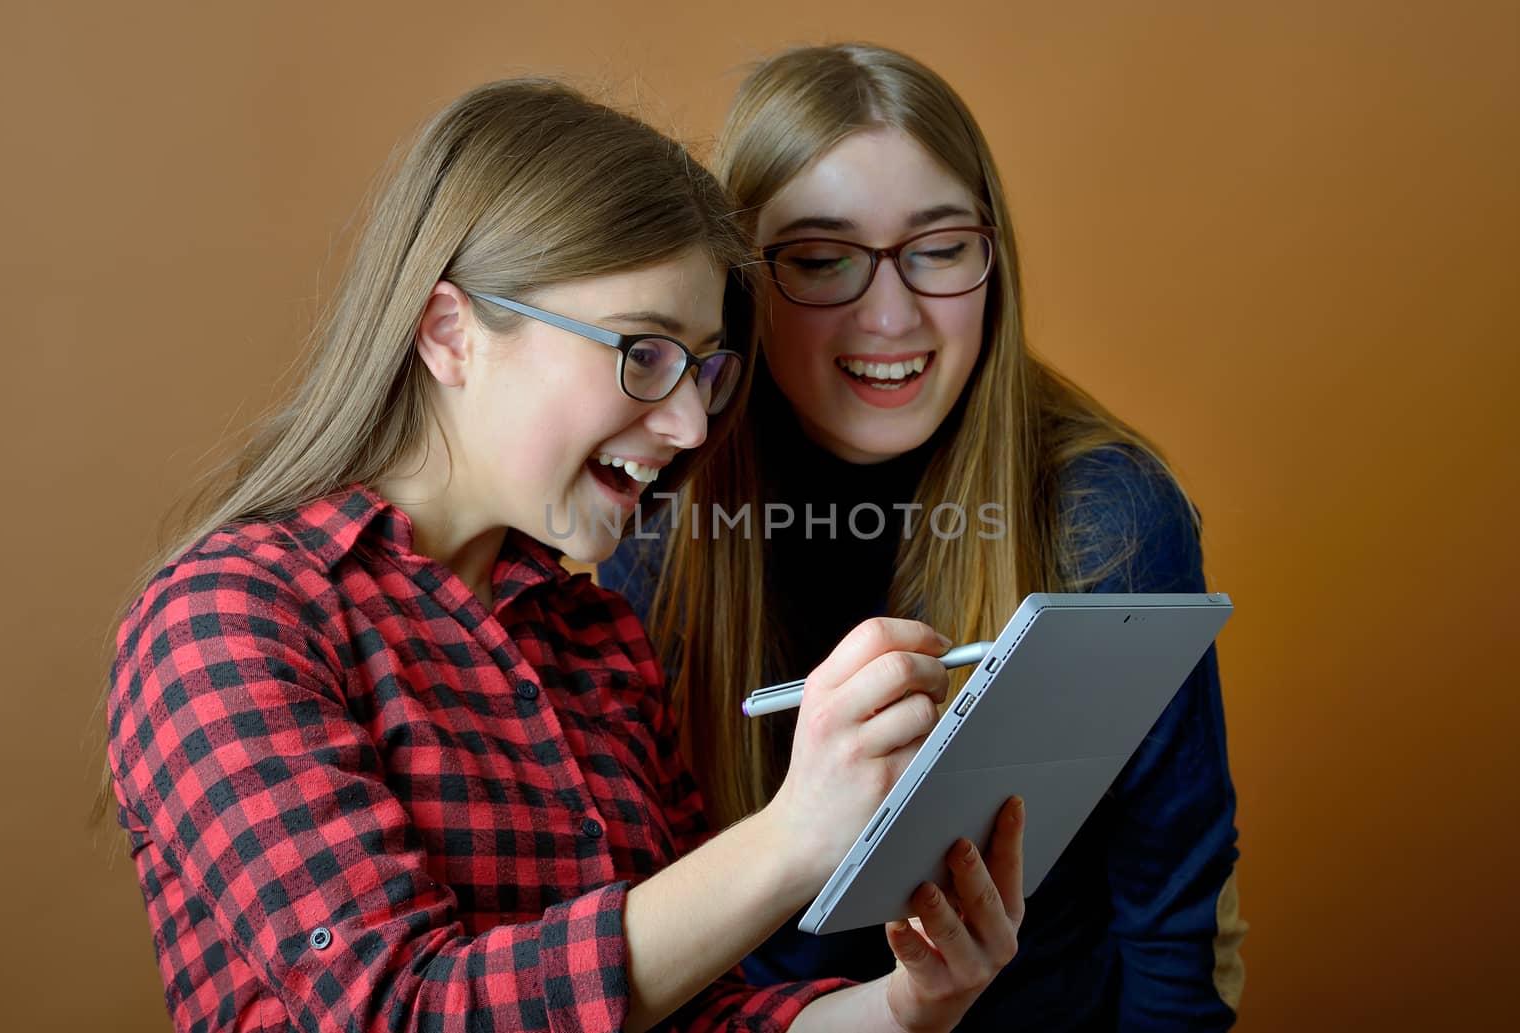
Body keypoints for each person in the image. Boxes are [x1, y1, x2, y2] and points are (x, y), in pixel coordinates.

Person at [102, 77, 1029, 1033]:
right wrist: (795, 834)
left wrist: (908, 1005)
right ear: (449, 332)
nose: (685, 422)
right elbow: (405, 1013)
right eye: (642, 352)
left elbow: (690, 1015)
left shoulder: (597, 638)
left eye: (705, 370)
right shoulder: (231, 620)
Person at [600, 44, 1247, 1031]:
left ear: (994, 262)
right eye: (820, 261)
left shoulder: (1108, 516)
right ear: (741, 283)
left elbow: (1172, 921)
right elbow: (631, 933)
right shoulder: (653, 521)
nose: (892, 314)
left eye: (939, 249)